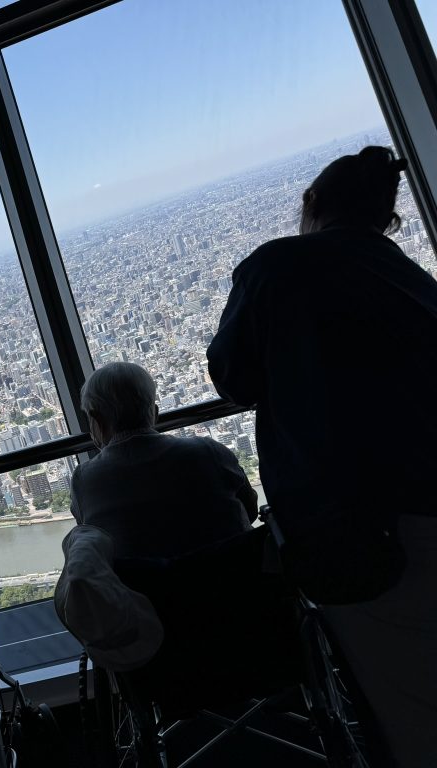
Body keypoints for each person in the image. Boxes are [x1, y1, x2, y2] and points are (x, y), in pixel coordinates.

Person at [207, 146, 437, 767]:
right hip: (423, 497)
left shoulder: (276, 266)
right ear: (384, 218)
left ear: (311, 204)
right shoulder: (407, 275)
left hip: (363, 526)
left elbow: (233, 378)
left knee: (411, 703)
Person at [70, 362, 256, 559]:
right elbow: (250, 510)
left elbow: (95, 542)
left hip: (145, 580)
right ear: (155, 412)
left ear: (97, 420)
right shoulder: (208, 452)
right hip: (235, 572)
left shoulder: (85, 481)